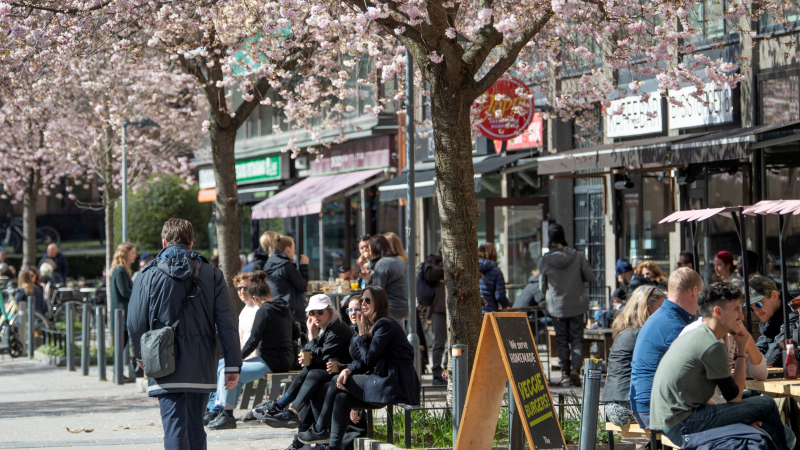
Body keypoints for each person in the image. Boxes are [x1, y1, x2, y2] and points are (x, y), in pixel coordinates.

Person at [127, 218, 241, 450]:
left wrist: (140, 355)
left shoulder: (146, 274)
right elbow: (227, 322)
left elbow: (135, 321)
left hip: (162, 359)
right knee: (196, 428)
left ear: (163, 242)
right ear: (191, 244)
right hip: (201, 363)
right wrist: (232, 365)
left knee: (174, 427)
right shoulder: (212, 274)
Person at [650, 283, 788, 450]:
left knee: (767, 427)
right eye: (736, 309)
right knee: (767, 405)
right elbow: (734, 397)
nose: (741, 316)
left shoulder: (697, 334)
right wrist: (742, 350)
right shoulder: (711, 344)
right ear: (718, 312)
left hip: (673, 422)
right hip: (684, 425)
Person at [297, 286, 420, 448]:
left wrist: (362, 334)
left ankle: (320, 429)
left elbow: (369, 359)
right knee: (341, 398)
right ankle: (332, 446)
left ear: (379, 302)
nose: (363, 304)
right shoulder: (376, 326)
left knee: (335, 381)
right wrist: (348, 369)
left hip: (394, 382)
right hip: (384, 380)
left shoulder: (385, 324)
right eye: (362, 300)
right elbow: (363, 360)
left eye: (367, 300)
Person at [207, 270, 295, 430]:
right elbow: (295, 332)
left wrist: (236, 360)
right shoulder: (284, 307)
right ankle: (218, 410)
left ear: (255, 298)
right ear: (269, 292)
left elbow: (253, 341)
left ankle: (226, 415)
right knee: (222, 366)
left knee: (228, 370)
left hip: (271, 361)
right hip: (281, 359)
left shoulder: (264, 310)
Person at [259, 294, 353, 428]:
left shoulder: (336, 329)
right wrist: (307, 355)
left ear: (330, 311)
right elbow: (318, 356)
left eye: (320, 311)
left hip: (344, 370)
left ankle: (286, 408)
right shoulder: (327, 327)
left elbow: (322, 357)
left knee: (312, 374)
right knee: (309, 372)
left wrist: (312, 336)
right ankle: (285, 410)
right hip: (331, 369)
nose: (316, 316)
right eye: (312, 313)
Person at [629, 267, 703, 429]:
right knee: (757, 409)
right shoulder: (675, 326)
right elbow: (696, 376)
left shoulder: (663, 316)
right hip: (657, 411)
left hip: (646, 407)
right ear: (694, 291)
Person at [538, 222, 595, 387]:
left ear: (550, 239)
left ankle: (565, 374)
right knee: (577, 338)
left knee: (562, 340)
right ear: (563, 236)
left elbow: (542, 287)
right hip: (577, 304)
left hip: (556, 307)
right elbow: (590, 277)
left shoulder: (545, 260)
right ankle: (576, 369)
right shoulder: (577, 255)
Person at [603, 286, 666, 426]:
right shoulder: (642, 335)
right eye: (662, 308)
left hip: (612, 404)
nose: (665, 313)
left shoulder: (628, 331)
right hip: (626, 406)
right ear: (648, 309)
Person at [203, 271, 258, 426]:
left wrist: (244, 357)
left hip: (254, 357)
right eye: (239, 288)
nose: (242, 291)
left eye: (245, 288)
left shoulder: (258, 310)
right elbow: (239, 339)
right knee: (217, 365)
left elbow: (257, 340)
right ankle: (211, 408)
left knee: (224, 368)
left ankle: (219, 410)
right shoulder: (244, 311)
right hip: (244, 356)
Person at [264, 234, 310, 325]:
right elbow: (302, 286)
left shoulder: (267, 264)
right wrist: (304, 266)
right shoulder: (286, 266)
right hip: (291, 312)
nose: (294, 251)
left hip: (274, 308)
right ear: (288, 249)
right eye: (294, 247)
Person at [750, 276, 795, 367]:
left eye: (759, 303)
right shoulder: (770, 318)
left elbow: (772, 357)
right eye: (752, 307)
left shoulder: (794, 313)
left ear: (774, 296)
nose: (756, 310)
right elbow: (761, 345)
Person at [360, 235, 408, 321]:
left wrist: (368, 282)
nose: (369, 253)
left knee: (358, 310)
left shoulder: (382, 263)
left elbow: (377, 292)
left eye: (370, 249)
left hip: (391, 308)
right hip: (406, 307)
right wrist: (368, 279)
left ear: (376, 249)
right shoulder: (400, 261)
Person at [110, 242, 137, 378]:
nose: (135, 255)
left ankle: (118, 372)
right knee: (121, 346)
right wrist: (138, 292)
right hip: (121, 315)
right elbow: (124, 291)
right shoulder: (120, 270)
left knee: (121, 346)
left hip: (121, 315)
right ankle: (117, 373)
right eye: (132, 253)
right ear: (126, 254)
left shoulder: (120, 270)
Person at [423, 250, 447, 385]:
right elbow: (429, 275)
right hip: (439, 308)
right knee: (439, 342)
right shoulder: (434, 260)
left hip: (455, 308)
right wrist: (445, 266)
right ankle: (437, 374)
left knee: (453, 344)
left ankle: (447, 372)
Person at [479, 242, 509, 314]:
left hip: (474, 313)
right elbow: (500, 296)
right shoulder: (496, 271)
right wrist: (505, 306)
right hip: (489, 313)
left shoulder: (471, 270)